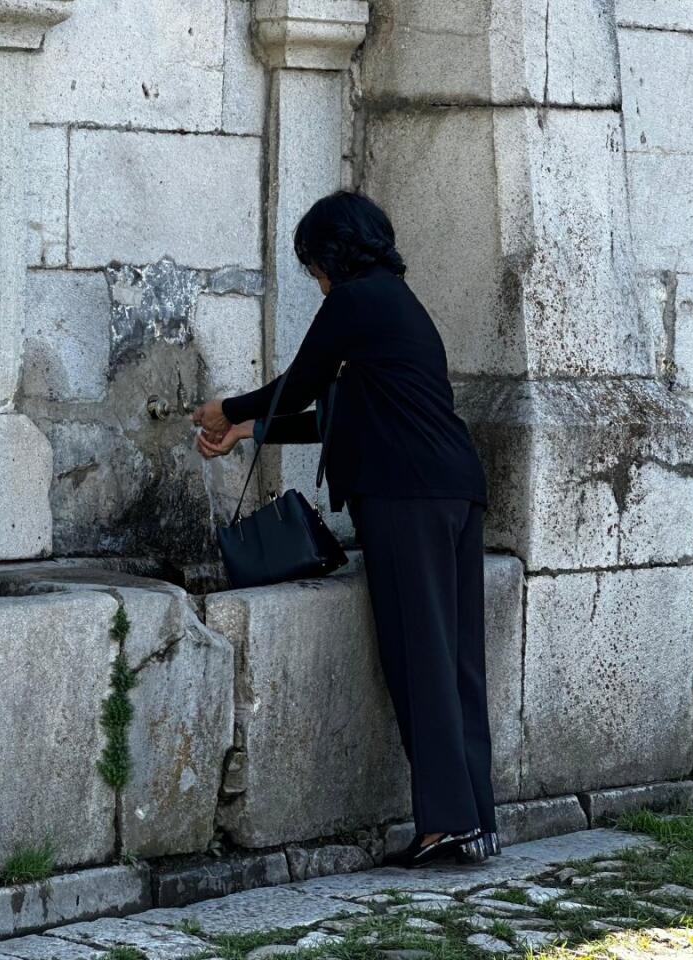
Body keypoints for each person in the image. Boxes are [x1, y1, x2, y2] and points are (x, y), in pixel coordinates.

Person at [193, 190, 497, 868]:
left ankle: (444, 823)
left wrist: (223, 409)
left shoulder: (354, 303)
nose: (317, 281)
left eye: (314, 267)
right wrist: (250, 426)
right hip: (451, 489)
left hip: (406, 496)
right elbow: (342, 411)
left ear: (332, 256)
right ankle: (475, 818)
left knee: (418, 655)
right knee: (453, 659)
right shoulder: (395, 304)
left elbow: (299, 384)